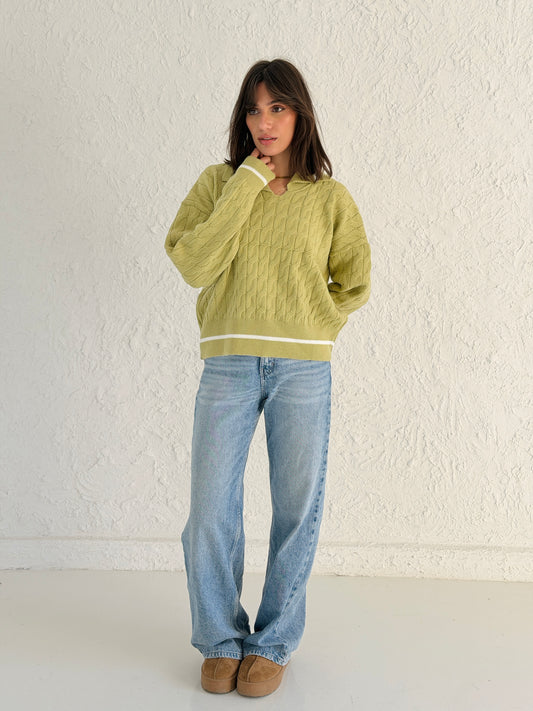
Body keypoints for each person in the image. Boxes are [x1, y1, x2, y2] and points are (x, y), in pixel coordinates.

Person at [164, 58, 371, 697]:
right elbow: (194, 263)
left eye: (277, 107)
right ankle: (220, 639)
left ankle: (273, 642)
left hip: (303, 370)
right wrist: (248, 181)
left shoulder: (329, 198)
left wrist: (314, 326)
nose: (265, 121)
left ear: (299, 114)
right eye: (254, 109)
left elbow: (355, 281)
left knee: (296, 509)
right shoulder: (218, 182)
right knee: (209, 509)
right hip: (227, 364)